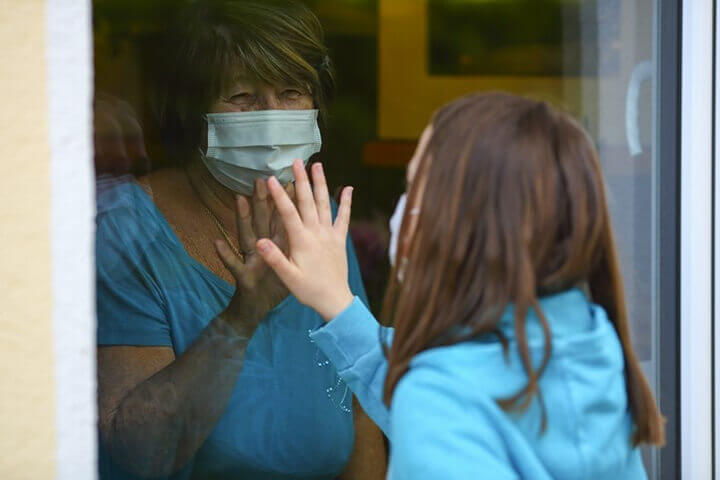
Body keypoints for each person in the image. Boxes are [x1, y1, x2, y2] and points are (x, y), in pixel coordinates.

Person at [255, 92, 666, 479]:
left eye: (415, 187)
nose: (403, 209)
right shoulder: (588, 345)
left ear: (465, 228)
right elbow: (457, 396)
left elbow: (442, 406)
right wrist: (339, 305)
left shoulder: (438, 402)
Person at [95, 1, 385, 479]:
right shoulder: (125, 229)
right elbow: (139, 456)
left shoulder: (320, 216)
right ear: (193, 110)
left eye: (291, 92)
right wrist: (242, 315)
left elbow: (360, 403)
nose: (271, 118)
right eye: (243, 96)